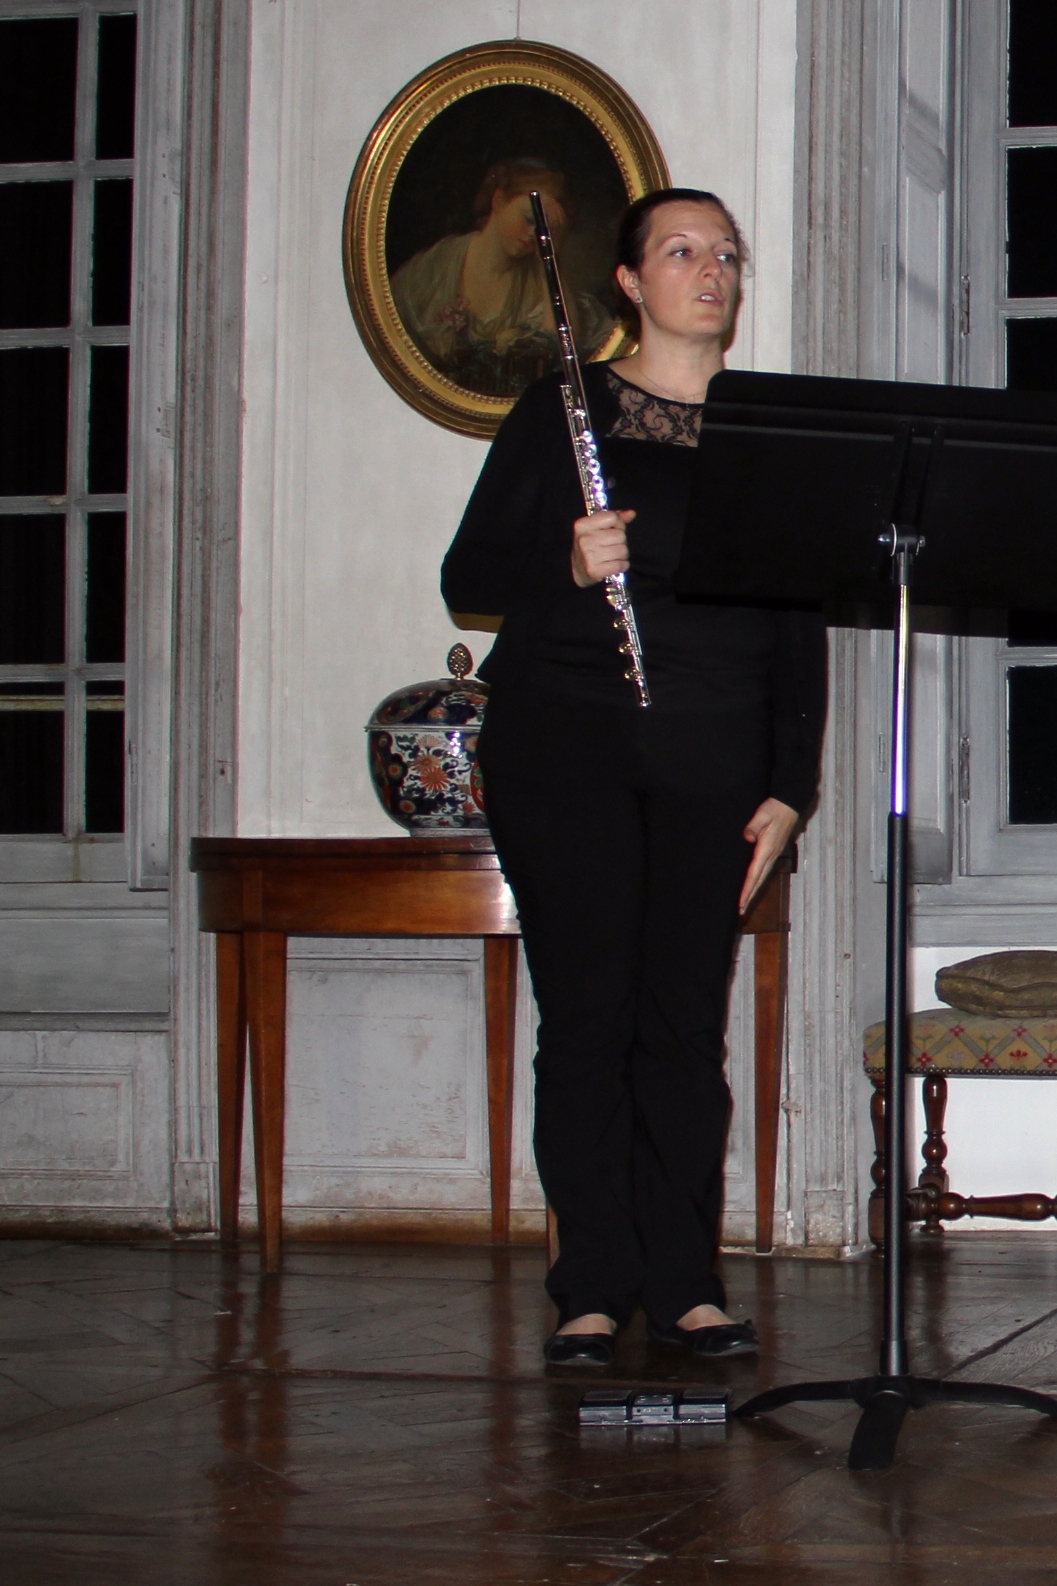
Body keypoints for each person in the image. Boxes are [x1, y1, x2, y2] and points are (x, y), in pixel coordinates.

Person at [442, 188, 826, 1367]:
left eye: (724, 254)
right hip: (565, 749)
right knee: (591, 1020)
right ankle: (593, 1286)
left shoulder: (769, 429)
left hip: (713, 757)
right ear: (626, 281)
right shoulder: (562, 413)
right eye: (680, 251)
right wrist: (562, 555)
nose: (709, 271)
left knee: (683, 1029)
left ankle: (688, 1281)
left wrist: (791, 784)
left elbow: (795, 617)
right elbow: (469, 571)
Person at [393, 158, 621, 404]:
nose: (535, 235)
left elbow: (560, 353)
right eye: (529, 219)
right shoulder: (433, 269)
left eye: (546, 229)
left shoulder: (543, 283)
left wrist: (549, 259)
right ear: (499, 200)